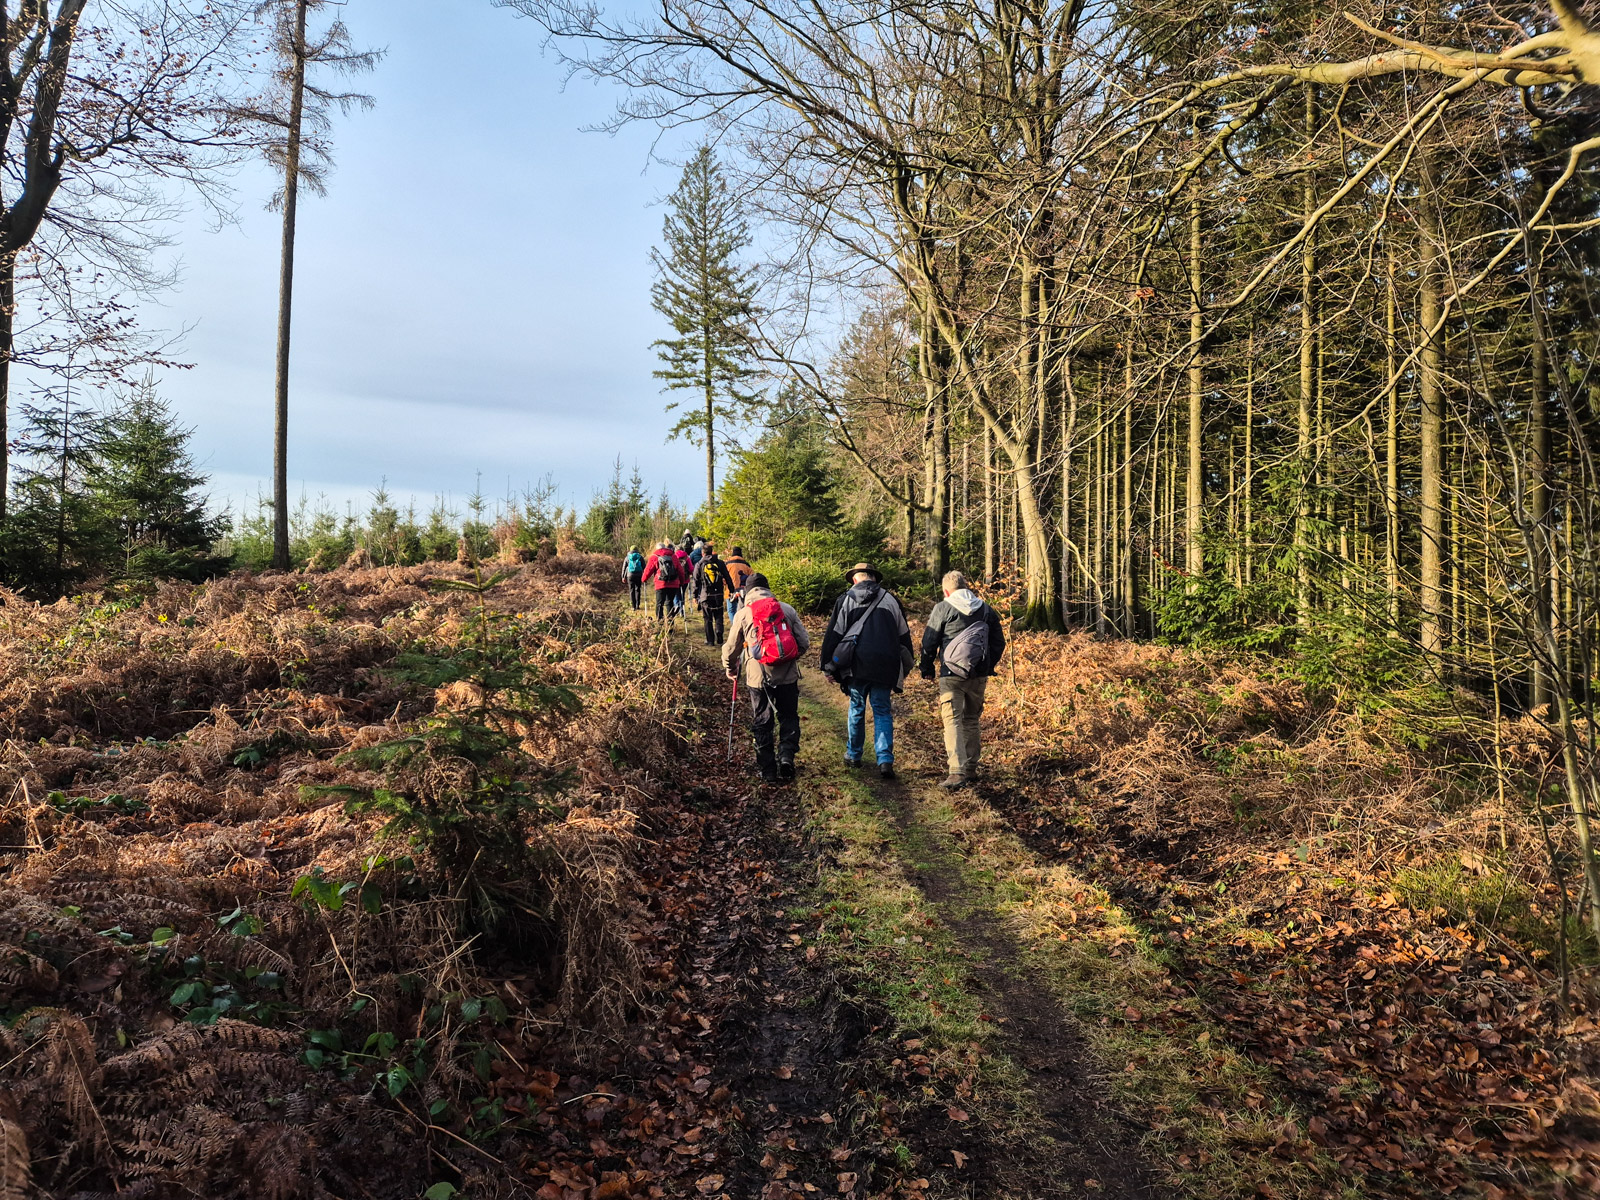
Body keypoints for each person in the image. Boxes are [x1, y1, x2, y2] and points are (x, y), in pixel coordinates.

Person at [818, 563, 914, 780]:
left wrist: (827, 665)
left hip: (857, 665)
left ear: (855, 579)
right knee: (882, 711)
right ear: (874, 579)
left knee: (857, 708)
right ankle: (885, 760)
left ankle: (854, 755)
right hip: (885, 665)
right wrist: (905, 667)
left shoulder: (846, 599)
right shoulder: (891, 600)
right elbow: (904, 638)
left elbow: (834, 634)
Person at [919, 570, 1007, 789]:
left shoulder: (943, 607)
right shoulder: (986, 609)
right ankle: (971, 768)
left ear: (947, 590)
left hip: (951, 674)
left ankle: (957, 772)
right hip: (978, 675)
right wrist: (988, 666)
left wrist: (927, 667)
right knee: (971, 719)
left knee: (953, 720)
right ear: (966, 587)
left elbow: (930, 641)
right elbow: (998, 642)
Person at [723, 572, 811, 784]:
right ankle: (787, 757)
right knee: (788, 715)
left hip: (758, 678)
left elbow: (731, 649)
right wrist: (788, 658)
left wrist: (730, 668)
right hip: (788, 676)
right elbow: (804, 642)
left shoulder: (744, 614)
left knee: (763, 720)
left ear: (747, 592)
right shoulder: (786, 609)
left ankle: (768, 769)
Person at [693, 544, 734, 646]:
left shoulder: (699, 564)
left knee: (708, 618)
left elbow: (695, 581)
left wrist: (694, 595)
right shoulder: (720, 563)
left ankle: (710, 640)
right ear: (712, 552)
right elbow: (727, 577)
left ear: (703, 553)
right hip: (719, 594)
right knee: (719, 615)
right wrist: (731, 590)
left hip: (705, 595)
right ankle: (719, 632)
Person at [643, 542, 683, 623]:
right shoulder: (673, 556)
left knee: (659, 604)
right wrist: (681, 582)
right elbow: (680, 570)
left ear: (657, 549)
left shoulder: (654, 557)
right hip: (673, 583)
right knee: (669, 603)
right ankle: (670, 624)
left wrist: (644, 579)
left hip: (660, 584)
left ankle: (660, 624)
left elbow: (648, 570)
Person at [723, 546, 754, 619]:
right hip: (743, 591)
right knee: (743, 610)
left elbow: (723, 578)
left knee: (731, 610)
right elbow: (752, 577)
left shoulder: (727, 564)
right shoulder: (746, 564)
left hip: (731, 591)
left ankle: (735, 626)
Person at [671, 540, 694, 618]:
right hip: (685, 579)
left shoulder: (673, 557)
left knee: (676, 594)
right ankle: (682, 610)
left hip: (676, 579)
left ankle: (676, 606)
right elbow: (691, 568)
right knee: (682, 594)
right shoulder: (687, 557)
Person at [622, 545, 646, 611]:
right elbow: (644, 567)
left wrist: (623, 577)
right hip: (638, 575)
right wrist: (645, 576)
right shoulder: (640, 557)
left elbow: (624, 568)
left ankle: (633, 606)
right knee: (638, 589)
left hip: (630, 575)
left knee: (631, 590)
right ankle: (637, 605)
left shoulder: (627, 557)